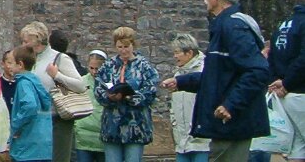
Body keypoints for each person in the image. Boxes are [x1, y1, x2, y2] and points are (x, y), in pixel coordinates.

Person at [161, 0, 271, 162]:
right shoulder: (223, 26)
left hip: (232, 124)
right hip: (225, 125)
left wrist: (231, 104)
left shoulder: (233, 27)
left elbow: (258, 70)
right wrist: (182, 82)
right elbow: (218, 76)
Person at [22, 20, 86, 162]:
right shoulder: (32, 60)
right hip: (36, 121)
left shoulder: (59, 58)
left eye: (26, 41)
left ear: (36, 40)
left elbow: (80, 85)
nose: (23, 45)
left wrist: (57, 75)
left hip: (57, 120)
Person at [93, 26, 159, 162]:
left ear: (133, 45)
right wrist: (109, 97)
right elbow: (98, 89)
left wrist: (131, 97)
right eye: (120, 47)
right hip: (112, 126)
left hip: (136, 126)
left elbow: (151, 91)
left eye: (126, 46)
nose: (123, 50)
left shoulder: (144, 67)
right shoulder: (108, 66)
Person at [269, 0, 305, 162]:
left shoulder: (283, 26)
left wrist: (278, 82)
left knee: (298, 148)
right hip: (301, 94)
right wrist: (287, 83)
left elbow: (272, 57)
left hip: (284, 96)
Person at [168, 33, 211, 162]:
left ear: (189, 53)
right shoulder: (177, 75)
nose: (175, 56)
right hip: (181, 141)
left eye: (177, 52)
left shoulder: (206, 71)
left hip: (202, 141)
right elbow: (174, 105)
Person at [7, 45, 54, 162]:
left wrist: (16, 125)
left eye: (11, 63)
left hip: (26, 147)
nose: (8, 66)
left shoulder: (23, 83)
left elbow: (30, 105)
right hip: (42, 146)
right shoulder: (36, 82)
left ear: (20, 64)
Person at [73, 50, 108, 162]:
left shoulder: (109, 83)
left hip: (103, 134)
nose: (94, 72)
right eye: (91, 68)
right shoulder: (81, 81)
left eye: (97, 69)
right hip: (83, 136)